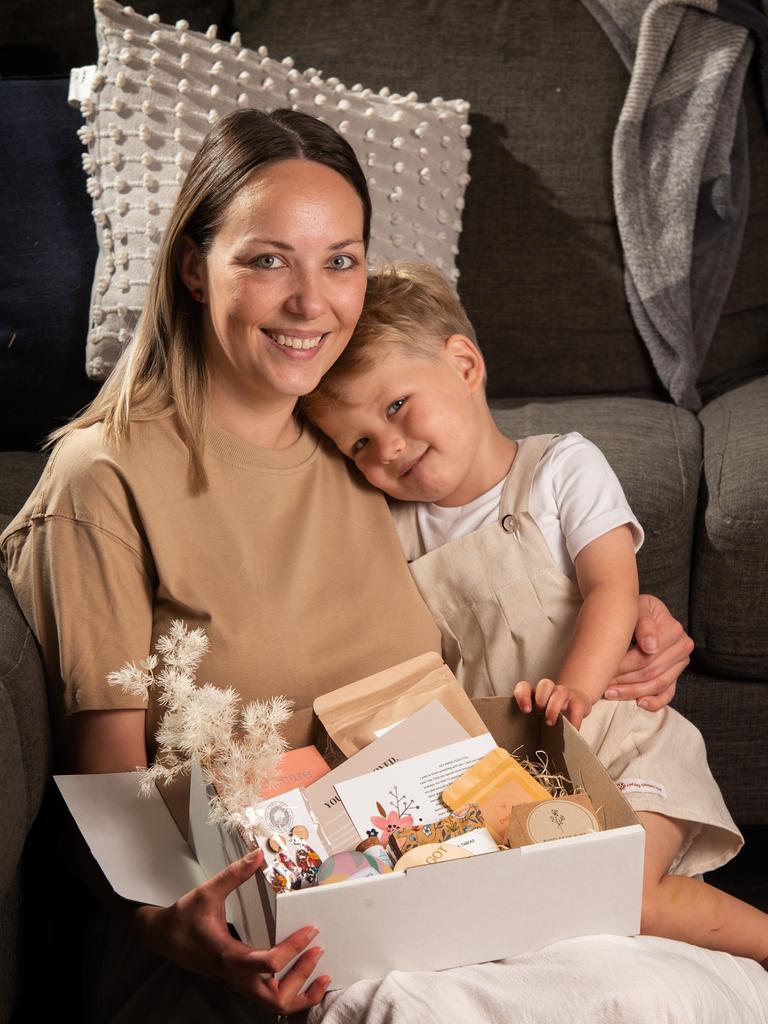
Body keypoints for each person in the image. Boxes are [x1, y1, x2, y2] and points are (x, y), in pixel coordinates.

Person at [0, 109, 697, 1022]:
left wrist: (631, 617)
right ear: (191, 266)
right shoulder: (106, 481)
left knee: (661, 998)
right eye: (265, 259)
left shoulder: (363, 449)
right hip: (267, 937)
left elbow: (511, 543)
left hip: (459, 879)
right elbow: (110, 789)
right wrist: (173, 926)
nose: (311, 301)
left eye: (341, 260)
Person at [304, 261, 768, 967]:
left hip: (616, 731)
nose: (388, 447)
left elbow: (614, 588)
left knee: (626, 895)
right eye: (360, 443)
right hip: (514, 767)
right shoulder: (397, 531)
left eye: (396, 407)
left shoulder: (560, 470)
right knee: (532, 924)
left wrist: (578, 687)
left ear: (463, 365)